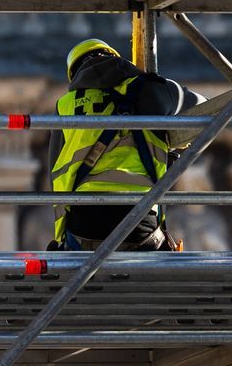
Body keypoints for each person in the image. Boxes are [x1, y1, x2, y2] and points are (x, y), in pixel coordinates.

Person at [48, 38, 203, 251]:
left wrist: (60, 240)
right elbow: (206, 110)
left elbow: (56, 173)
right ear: (116, 59)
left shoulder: (65, 105)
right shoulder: (150, 88)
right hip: (140, 219)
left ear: (75, 74)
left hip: (84, 221)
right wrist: (173, 135)